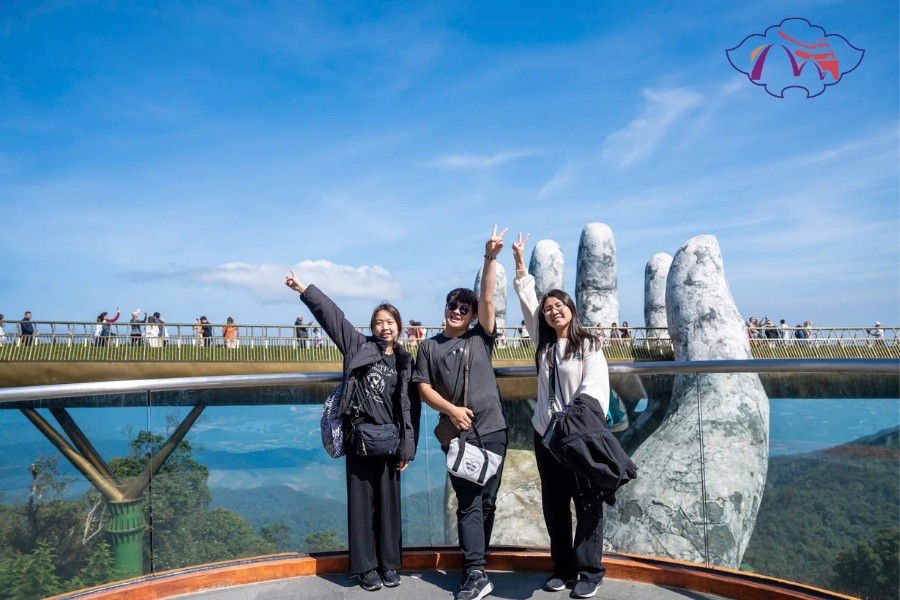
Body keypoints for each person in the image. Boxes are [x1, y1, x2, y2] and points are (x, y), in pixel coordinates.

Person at [284, 268, 417, 592]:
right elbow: (334, 318)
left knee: (389, 506)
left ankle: (388, 564)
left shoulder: (404, 361)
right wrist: (305, 289)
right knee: (361, 506)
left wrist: (407, 449)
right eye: (379, 322)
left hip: (390, 442)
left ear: (399, 326)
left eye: (390, 322)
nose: (384, 327)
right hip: (360, 439)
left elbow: (408, 409)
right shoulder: (359, 347)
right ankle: (366, 568)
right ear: (372, 327)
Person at [413, 225, 509, 600]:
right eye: (452, 305)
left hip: (493, 430)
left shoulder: (479, 337)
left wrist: (489, 258)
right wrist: (452, 410)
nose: (457, 311)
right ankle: (475, 573)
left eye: (463, 308)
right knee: (468, 502)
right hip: (458, 434)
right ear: (445, 309)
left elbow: (487, 298)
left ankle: (476, 565)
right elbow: (423, 389)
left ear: (471, 316)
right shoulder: (429, 347)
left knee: (488, 501)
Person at [511, 232, 609, 599]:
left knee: (586, 502)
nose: (553, 311)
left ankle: (590, 571)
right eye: (548, 308)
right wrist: (520, 264)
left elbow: (594, 391)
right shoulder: (544, 345)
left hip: (577, 436)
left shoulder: (589, 345)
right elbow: (527, 302)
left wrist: (573, 423)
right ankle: (563, 568)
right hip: (545, 435)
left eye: (559, 306)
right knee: (554, 505)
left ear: (571, 309)